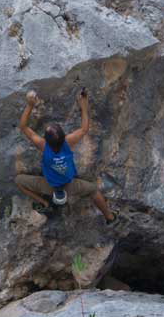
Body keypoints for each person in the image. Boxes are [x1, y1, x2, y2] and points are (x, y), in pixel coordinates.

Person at [14, 88, 118, 224]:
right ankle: (110, 217)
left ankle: (44, 203)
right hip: (70, 184)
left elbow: (23, 127)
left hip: (48, 185)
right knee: (93, 190)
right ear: (64, 137)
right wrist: (84, 105)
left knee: (18, 181)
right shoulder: (68, 142)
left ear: (45, 139)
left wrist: (30, 105)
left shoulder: (43, 145)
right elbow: (84, 129)